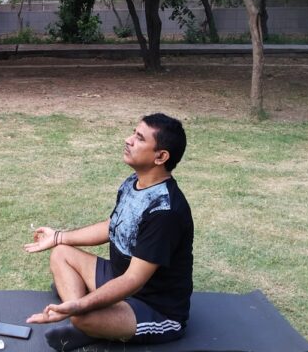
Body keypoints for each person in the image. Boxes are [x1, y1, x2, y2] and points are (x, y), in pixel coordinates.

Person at [24, 113, 193, 351]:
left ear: (161, 156)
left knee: (82, 315)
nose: (128, 140)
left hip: (154, 306)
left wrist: (80, 305)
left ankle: (84, 322)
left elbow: (133, 281)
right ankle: (88, 318)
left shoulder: (165, 211)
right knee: (60, 253)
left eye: (139, 138)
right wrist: (58, 237)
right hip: (118, 276)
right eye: (133, 133)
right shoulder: (133, 182)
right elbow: (113, 226)